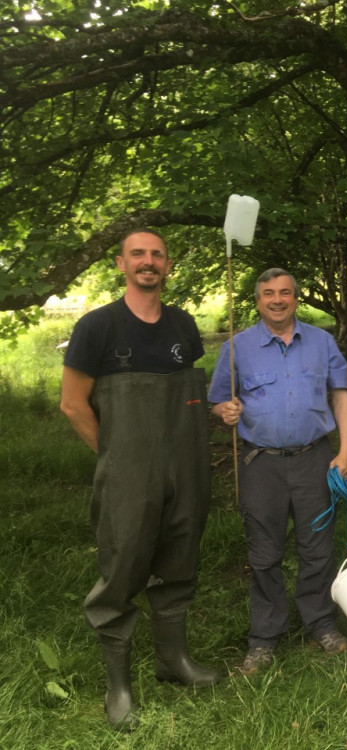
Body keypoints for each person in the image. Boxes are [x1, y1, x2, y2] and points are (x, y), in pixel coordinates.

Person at [60, 228, 219, 729]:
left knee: (180, 554)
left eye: (157, 254)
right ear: (121, 264)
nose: (148, 262)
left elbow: (187, 399)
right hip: (127, 471)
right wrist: (114, 457)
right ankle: (119, 687)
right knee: (124, 563)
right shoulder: (97, 327)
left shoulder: (183, 325)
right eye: (138, 254)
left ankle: (173, 661)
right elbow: (72, 403)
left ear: (167, 265)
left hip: (186, 465)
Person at [208, 269, 347, 675]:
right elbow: (218, 401)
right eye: (268, 293)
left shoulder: (322, 342)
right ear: (257, 302)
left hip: (314, 458)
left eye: (285, 293)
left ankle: (320, 623)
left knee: (317, 548)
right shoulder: (237, 348)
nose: (277, 299)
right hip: (262, 464)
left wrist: (346, 449)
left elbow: (342, 395)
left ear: (296, 298)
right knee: (264, 552)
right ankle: (264, 637)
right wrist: (226, 411)